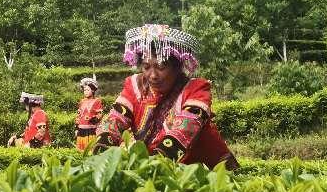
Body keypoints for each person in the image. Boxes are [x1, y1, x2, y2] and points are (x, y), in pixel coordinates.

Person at [95, 24, 239, 170]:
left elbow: (184, 130)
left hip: (203, 172)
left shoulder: (195, 89)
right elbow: (115, 119)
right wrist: (100, 158)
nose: (152, 75)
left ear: (177, 67)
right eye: (146, 67)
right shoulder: (134, 85)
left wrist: (151, 168)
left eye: (161, 67)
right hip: (157, 170)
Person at [75, 77, 103, 151]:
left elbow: (100, 114)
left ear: (93, 90)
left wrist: (94, 119)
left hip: (91, 130)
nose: (85, 92)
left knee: (90, 149)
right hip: (81, 129)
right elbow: (78, 115)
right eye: (84, 90)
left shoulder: (97, 101)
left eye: (88, 90)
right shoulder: (82, 101)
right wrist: (76, 128)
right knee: (81, 150)